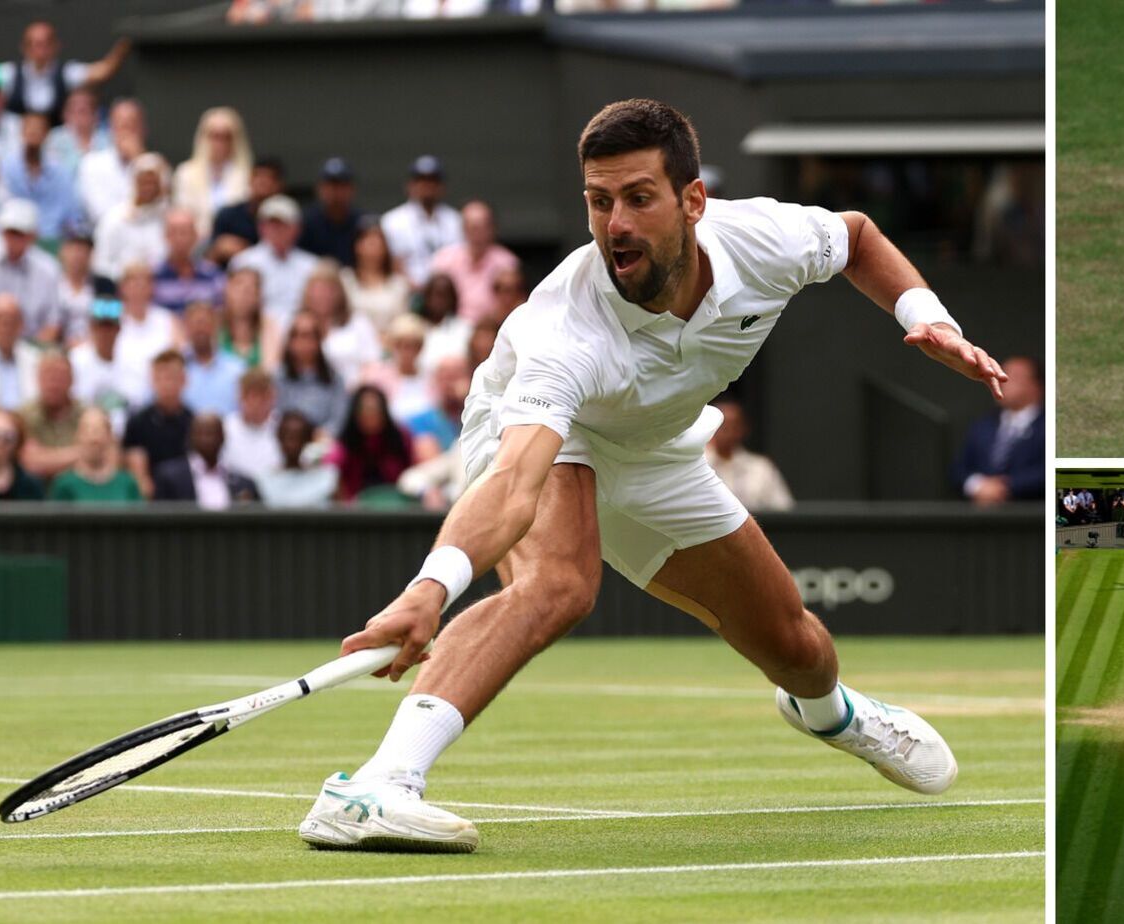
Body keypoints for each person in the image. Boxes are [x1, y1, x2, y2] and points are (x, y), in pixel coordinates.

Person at [296, 100, 1003, 851]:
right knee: (558, 584)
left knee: (796, 644)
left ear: (692, 201)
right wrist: (428, 590)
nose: (616, 225)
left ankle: (831, 714)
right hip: (544, 435)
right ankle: (378, 785)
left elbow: (857, 236)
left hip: (657, 448)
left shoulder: (761, 240)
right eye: (599, 203)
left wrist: (929, 318)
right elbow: (513, 485)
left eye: (637, 198)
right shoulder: (565, 333)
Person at [0, 199, 65, 342]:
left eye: (19, 233)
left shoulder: (48, 269)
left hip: (28, 347)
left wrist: (30, 354)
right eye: (9, 232)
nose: (12, 238)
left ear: (32, 236)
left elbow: (52, 324)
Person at [951, 353, 1043, 506]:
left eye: (1013, 376)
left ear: (1036, 386)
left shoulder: (1049, 427)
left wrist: (1005, 486)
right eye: (999, 373)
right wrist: (977, 486)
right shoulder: (982, 426)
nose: (1002, 380)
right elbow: (959, 469)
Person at [0, 21, 130, 126]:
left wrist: (125, 44)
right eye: (34, 44)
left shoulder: (67, 73)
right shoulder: (8, 73)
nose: (40, 50)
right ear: (24, 48)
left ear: (55, 46)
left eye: (45, 44)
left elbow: (103, 71)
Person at [228, 196, 318, 322]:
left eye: (283, 224)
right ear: (260, 227)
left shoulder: (312, 265)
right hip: (258, 335)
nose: (277, 230)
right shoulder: (243, 262)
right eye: (271, 224)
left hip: (301, 335)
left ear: (297, 228)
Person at [427, 200, 520, 322]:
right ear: (463, 229)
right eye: (473, 228)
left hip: (493, 327)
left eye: (483, 227)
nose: (478, 234)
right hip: (449, 326)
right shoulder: (443, 259)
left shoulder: (507, 263)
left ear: (493, 228)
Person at [121, 349, 193, 498]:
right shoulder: (138, 422)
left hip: (187, 496)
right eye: (161, 378)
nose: (166, 384)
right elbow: (136, 464)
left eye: (172, 377)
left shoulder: (194, 422)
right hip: (151, 496)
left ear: (184, 380)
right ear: (152, 380)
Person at [380, 155, 460, 286]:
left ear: (442, 186)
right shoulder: (392, 222)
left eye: (433, 180)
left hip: (448, 294)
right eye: (422, 180)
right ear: (410, 185)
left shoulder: (456, 221)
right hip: (406, 293)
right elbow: (391, 265)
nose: (427, 186)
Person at [0, 113, 80, 244]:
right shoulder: (6, 167)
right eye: (30, 128)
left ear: (47, 135)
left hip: (52, 240)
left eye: (38, 129)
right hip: (15, 238)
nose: (33, 133)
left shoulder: (60, 172)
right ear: (21, 132)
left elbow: (71, 215)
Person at [171, 107, 251, 238]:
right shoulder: (185, 173)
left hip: (234, 244)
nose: (220, 143)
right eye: (215, 136)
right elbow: (183, 213)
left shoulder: (247, 174)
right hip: (195, 245)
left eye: (226, 137)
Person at [704, 396, 793, 512]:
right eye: (723, 427)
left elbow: (783, 509)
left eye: (734, 426)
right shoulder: (695, 465)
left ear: (743, 428)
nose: (728, 432)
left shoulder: (761, 467)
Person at [152, 411, 258, 508]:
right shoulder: (169, 477)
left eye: (212, 433)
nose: (207, 439)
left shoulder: (243, 484)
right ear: (191, 437)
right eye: (201, 433)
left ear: (223, 437)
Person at [69, 297, 147, 425]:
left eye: (110, 327)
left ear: (119, 328)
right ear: (92, 328)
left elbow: (138, 404)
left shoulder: (135, 361)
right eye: (100, 327)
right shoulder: (76, 360)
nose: (105, 333)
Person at [328, 384, 412, 502]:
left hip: (396, 504)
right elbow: (330, 469)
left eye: (375, 410)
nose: (370, 415)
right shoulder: (346, 443)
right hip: (355, 507)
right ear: (355, 413)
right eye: (365, 410)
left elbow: (414, 472)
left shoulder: (400, 437)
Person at [92, 152, 170, 279]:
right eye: (143, 182)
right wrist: (128, 274)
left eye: (153, 183)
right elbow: (101, 263)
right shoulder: (114, 218)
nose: (148, 188)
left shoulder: (170, 219)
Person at [303, 264, 378, 388]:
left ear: (340, 293)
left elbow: (373, 363)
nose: (323, 296)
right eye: (318, 290)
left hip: (355, 392)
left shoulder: (359, 323)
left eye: (329, 290)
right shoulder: (299, 327)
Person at [47, 405, 141, 503]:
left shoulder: (127, 484)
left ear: (109, 436)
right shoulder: (64, 485)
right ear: (77, 436)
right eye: (86, 430)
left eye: (98, 430)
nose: (92, 438)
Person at [276, 310, 347, 436]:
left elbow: (338, 420)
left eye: (307, 335)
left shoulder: (334, 379)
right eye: (295, 335)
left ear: (318, 340)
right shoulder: (278, 378)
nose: (301, 342)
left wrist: (323, 434)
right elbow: (274, 416)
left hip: (322, 444)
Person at [74, 98, 145, 224]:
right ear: (111, 128)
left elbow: (158, 209)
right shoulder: (91, 163)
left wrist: (139, 162)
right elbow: (100, 213)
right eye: (121, 125)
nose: (126, 132)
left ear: (143, 129)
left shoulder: (153, 165)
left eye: (132, 125)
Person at [17, 350, 83, 481]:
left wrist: (48, 458)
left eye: (60, 376)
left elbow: (106, 457)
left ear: (72, 379)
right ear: (36, 379)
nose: (53, 383)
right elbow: (32, 462)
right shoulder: (23, 416)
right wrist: (81, 453)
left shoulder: (88, 415)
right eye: (47, 376)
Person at [207, 155, 284, 263]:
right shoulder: (228, 215)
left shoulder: (286, 218)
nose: (262, 182)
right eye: (258, 176)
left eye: (269, 178)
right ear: (250, 180)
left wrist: (246, 251)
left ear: (279, 185)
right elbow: (213, 255)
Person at [255, 409, 336, 508]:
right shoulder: (263, 479)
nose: (292, 445)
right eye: (287, 437)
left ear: (308, 440)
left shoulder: (327, 477)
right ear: (279, 438)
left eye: (299, 437)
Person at [113, 263, 179, 381]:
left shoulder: (167, 319)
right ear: (122, 287)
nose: (139, 289)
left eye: (144, 283)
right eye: (133, 283)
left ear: (152, 287)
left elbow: (179, 354)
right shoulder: (111, 317)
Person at [340, 221, 409, 333]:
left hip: (388, 345)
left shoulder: (399, 285)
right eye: (369, 242)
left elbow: (402, 324)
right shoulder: (345, 279)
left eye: (378, 243)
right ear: (357, 246)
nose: (374, 247)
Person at [152, 207, 225, 311]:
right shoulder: (153, 277)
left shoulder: (213, 275)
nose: (179, 238)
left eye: (184, 232)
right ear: (165, 236)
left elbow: (220, 313)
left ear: (196, 235)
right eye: (174, 232)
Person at [178, 301, 244, 416]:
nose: (200, 329)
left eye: (204, 323)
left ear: (215, 326)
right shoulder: (175, 367)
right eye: (195, 324)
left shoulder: (237, 369)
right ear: (186, 328)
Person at [299, 157, 361, 265]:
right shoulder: (305, 222)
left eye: (341, 186)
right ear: (319, 189)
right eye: (330, 186)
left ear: (352, 189)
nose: (335, 192)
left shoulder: (361, 222)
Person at [221, 367, 280, 479]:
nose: (256, 402)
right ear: (240, 397)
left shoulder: (283, 428)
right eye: (251, 396)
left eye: (263, 396)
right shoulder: (225, 427)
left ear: (272, 397)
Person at [219, 267, 278, 371]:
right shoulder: (214, 323)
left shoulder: (268, 325)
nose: (245, 291)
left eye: (252, 287)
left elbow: (270, 369)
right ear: (226, 289)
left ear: (259, 296)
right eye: (239, 284)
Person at [42, 87, 109, 177]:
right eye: (73, 111)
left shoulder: (107, 139)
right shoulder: (55, 138)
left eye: (83, 111)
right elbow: (52, 173)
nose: (78, 116)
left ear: (95, 115)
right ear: (65, 114)